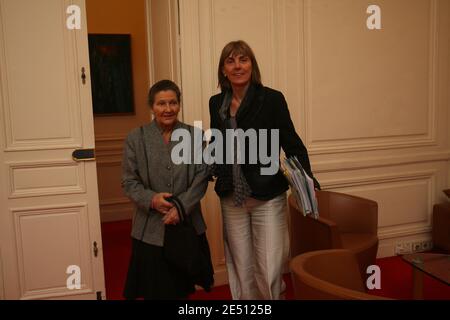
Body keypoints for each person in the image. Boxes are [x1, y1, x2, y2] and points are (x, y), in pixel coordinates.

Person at [209, 40, 320, 300]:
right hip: (231, 196)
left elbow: (291, 142)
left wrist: (307, 178)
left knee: (268, 268)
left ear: (252, 65)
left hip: (267, 195)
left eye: (243, 59)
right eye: (231, 61)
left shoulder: (272, 99)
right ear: (223, 69)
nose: (237, 66)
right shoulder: (216, 103)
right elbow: (218, 143)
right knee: (241, 266)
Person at [122, 79, 213, 300]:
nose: (168, 109)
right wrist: (152, 199)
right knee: (153, 292)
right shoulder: (136, 138)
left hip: (186, 227)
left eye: (173, 102)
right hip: (149, 230)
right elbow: (129, 182)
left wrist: (180, 208)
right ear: (152, 106)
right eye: (161, 103)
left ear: (179, 105)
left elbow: (202, 176)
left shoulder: (195, 136)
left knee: (180, 290)